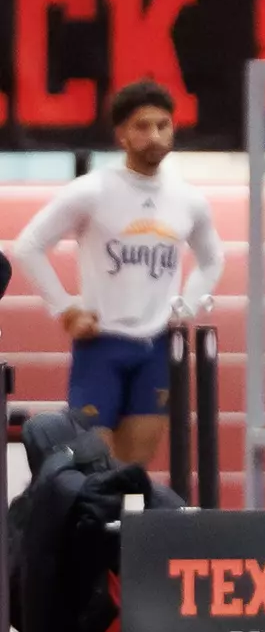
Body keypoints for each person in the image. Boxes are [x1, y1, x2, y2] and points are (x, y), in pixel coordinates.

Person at [11, 79, 223, 467]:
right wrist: (65, 309)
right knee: (96, 470)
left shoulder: (189, 200)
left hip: (156, 349)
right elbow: (28, 246)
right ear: (122, 134)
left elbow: (212, 259)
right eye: (142, 127)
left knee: (134, 471)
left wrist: (186, 307)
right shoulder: (91, 191)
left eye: (163, 125)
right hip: (101, 347)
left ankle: (130, 529)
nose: (155, 136)